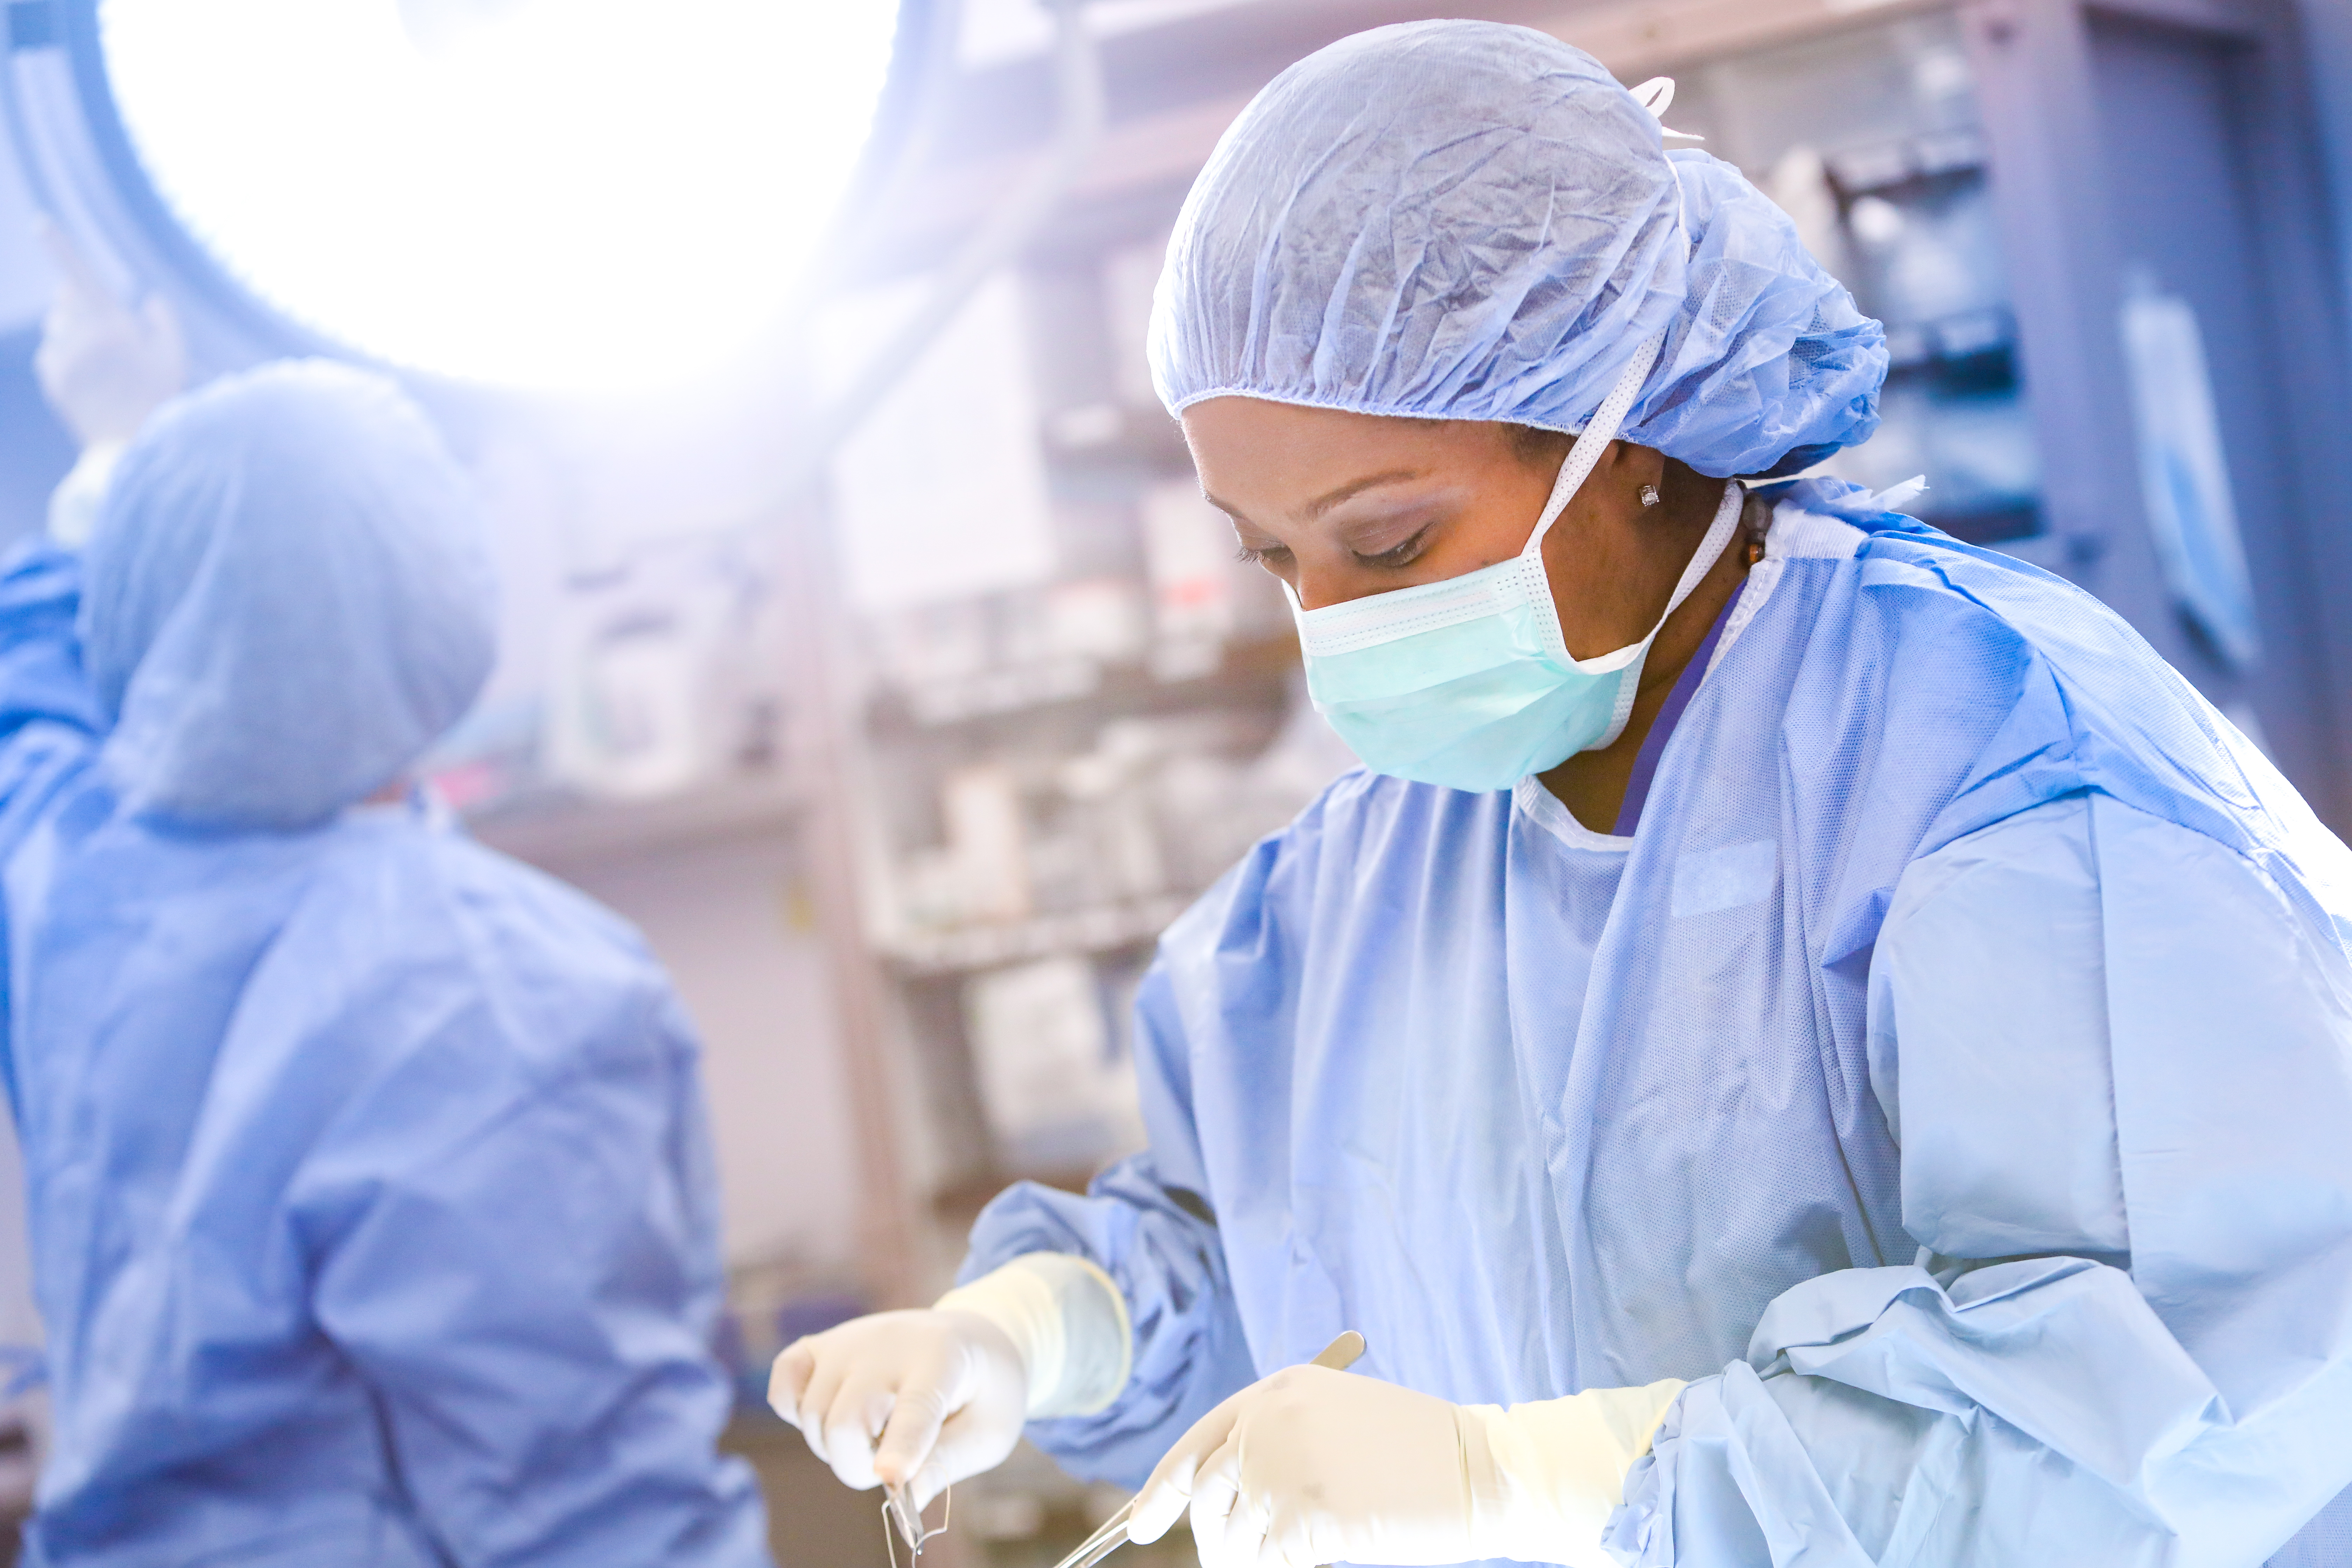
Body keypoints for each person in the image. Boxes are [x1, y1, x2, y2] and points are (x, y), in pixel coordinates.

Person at [773, 20, 2352, 1568]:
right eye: (1273, 558)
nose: (1332, 621)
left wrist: (1537, 1476)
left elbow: (2192, 1387)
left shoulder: (1997, 773)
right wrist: (1028, 1334)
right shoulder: (1381, 864)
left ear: (1627, 435)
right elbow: (1249, 1234)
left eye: (1386, 545)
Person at [0, 253, 772, 1566]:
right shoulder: (507, 991)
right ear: (444, 603)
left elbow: (36, 695)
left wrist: (120, 462)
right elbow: (598, 1513)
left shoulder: (70, 888)